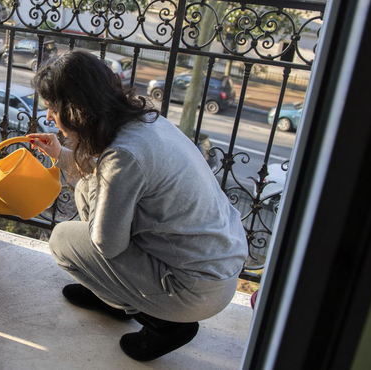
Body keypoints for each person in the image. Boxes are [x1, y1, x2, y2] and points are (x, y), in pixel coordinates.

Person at [27, 50, 248, 362]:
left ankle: (163, 323)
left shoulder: (123, 156)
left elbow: (107, 244)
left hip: (192, 289)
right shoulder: (146, 121)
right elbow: (108, 171)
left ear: (75, 110)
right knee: (89, 185)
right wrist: (63, 154)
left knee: (63, 239)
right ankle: (115, 300)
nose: (49, 117)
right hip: (217, 268)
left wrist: (80, 165)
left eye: (52, 108)